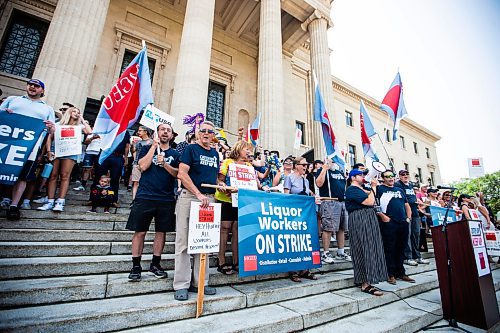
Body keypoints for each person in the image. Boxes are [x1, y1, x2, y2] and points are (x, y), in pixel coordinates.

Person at [126, 123, 180, 281]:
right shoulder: (145, 148)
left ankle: (155, 263)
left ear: (171, 135)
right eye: (162, 129)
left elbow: (178, 174)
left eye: (168, 130)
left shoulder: (176, 154)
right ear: (157, 133)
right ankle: (136, 265)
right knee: (140, 231)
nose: (165, 132)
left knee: (161, 232)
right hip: (145, 195)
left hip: (166, 198)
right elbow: (142, 166)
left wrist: (165, 164)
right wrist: (153, 147)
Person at [174, 121, 220, 301]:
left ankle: (201, 282)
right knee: (183, 242)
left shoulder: (215, 153)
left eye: (210, 131)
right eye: (203, 131)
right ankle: (181, 284)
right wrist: (198, 193)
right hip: (190, 197)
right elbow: (182, 174)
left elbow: (214, 176)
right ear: (198, 133)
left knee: (204, 242)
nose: (207, 134)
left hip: (208, 199)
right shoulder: (190, 149)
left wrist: (220, 185)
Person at [0, 79, 55, 220]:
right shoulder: (13, 100)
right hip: (7, 142)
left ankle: (14, 205)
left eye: (37, 86)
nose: (32, 87)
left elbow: (52, 130)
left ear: (42, 91)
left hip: (30, 147)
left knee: (23, 175)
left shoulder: (47, 109)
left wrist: (50, 127)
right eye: (31, 85)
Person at [38, 107, 91, 212]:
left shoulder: (79, 127)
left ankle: (60, 201)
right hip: (56, 151)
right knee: (53, 176)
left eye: (78, 112)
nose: (76, 113)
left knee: (65, 176)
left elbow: (89, 131)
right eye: (74, 111)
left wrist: (82, 118)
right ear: (69, 113)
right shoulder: (58, 125)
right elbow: (50, 137)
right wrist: (48, 151)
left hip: (70, 152)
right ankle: (50, 201)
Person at [214, 140, 255, 275]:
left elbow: (253, 183)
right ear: (238, 149)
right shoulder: (227, 162)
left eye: (249, 150)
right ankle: (222, 261)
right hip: (225, 199)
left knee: (237, 230)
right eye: (246, 149)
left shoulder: (249, 165)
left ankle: (237, 262)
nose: (248, 152)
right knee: (225, 228)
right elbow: (220, 179)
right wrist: (223, 186)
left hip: (241, 201)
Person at [345, 170, 387, 296]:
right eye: (361, 175)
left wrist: (373, 185)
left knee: (371, 248)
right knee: (364, 248)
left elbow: (372, 197)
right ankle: (365, 283)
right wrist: (373, 186)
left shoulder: (361, 189)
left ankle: (368, 280)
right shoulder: (352, 189)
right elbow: (369, 202)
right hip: (360, 218)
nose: (363, 177)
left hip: (367, 218)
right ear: (353, 177)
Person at [376, 170, 415, 285]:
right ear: (383, 178)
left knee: (401, 248)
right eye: (387, 176)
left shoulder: (400, 190)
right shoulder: (379, 189)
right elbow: (375, 205)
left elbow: (406, 205)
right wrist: (383, 216)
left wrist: (408, 218)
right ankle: (390, 273)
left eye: (392, 175)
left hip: (402, 222)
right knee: (389, 248)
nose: (390, 178)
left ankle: (401, 272)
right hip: (389, 222)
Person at [283, 157, 318, 282]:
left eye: (307, 164)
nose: (306, 167)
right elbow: (286, 196)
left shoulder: (306, 180)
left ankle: (305, 269)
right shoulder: (289, 178)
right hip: (293, 213)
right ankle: (293, 270)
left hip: (305, 214)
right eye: (303, 164)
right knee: (294, 241)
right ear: (296, 165)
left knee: (304, 240)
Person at [315, 159, 351, 264]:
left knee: (341, 228)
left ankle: (341, 252)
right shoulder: (323, 170)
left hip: (341, 202)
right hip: (330, 201)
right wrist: (324, 169)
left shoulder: (339, 172)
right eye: (332, 159)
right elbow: (319, 183)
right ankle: (325, 253)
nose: (334, 161)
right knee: (328, 228)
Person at [394, 170, 429, 266]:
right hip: (406, 213)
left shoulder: (409, 185)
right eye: (403, 174)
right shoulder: (398, 185)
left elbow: (413, 198)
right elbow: (403, 199)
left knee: (416, 235)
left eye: (407, 174)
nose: (405, 176)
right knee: (407, 235)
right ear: (399, 176)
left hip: (415, 212)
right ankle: (407, 257)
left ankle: (417, 256)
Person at [92, 131, 130, 207]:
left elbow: (127, 145)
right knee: (98, 177)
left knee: (115, 179)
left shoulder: (125, 132)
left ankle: (113, 200)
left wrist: (125, 158)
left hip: (118, 156)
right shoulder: (110, 126)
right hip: (105, 154)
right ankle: (92, 199)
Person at [130, 126, 152, 202]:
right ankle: (134, 200)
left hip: (148, 165)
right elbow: (134, 152)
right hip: (137, 164)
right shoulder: (138, 142)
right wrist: (132, 146)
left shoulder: (151, 142)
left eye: (140, 131)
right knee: (136, 182)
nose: (138, 132)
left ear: (146, 132)